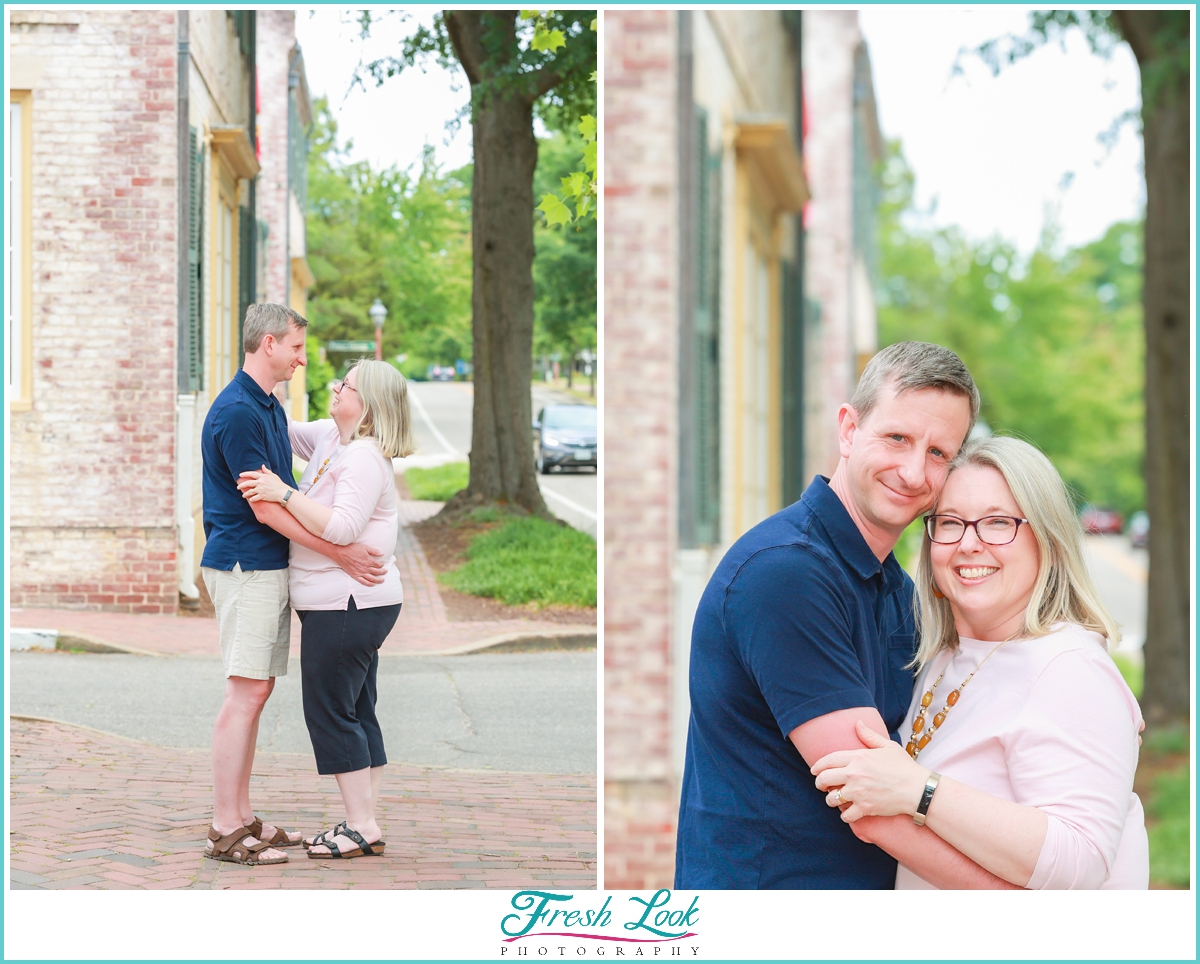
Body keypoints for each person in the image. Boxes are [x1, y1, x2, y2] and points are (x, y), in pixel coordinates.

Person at [675, 341, 1015, 889]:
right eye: (897, 438)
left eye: (937, 453)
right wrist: (1021, 904)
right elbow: (871, 802)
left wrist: (1074, 683)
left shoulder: (893, 585)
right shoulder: (785, 574)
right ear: (849, 430)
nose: (912, 471)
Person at [812, 436, 1148, 889]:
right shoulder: (944, 656)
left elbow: (1081, 860)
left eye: (997, 522)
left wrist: (919, 791)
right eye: (950, 523)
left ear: (1046, 539)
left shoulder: (1069, 669)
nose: (969, 544)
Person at [200, 304, 386, 866]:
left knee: (255, 692)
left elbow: (326, 453)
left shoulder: (268, 406)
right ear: (270, 344)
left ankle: (241, 815)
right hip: (245, 564)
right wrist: (340, 554)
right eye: (298, 349)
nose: (303, 359)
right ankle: (225, 827)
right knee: (245, 692)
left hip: (264, 566)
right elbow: (264, 506)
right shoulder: (237, 412)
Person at [238, 359, 414, 859]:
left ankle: (361, 826)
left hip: (349, 604)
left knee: (332, 711)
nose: (336, 387)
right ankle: (364, 820)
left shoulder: (363, 457)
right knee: (357, 709)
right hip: (344, 603)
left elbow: (340, 529)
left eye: (348, 385)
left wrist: (283, 493)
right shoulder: (331, 438)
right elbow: (279, 427)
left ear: (369, 405)